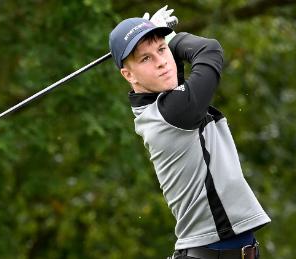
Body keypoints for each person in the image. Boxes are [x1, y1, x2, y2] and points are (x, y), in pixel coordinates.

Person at [109, 6, 271, 259]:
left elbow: (175, 78)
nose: (161, 62)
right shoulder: (172, 112)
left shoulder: (158, 107)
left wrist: (156, 40)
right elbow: (210, 50)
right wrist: (171, 39)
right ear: (128, 75)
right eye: (145, 59)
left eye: (161, 51)